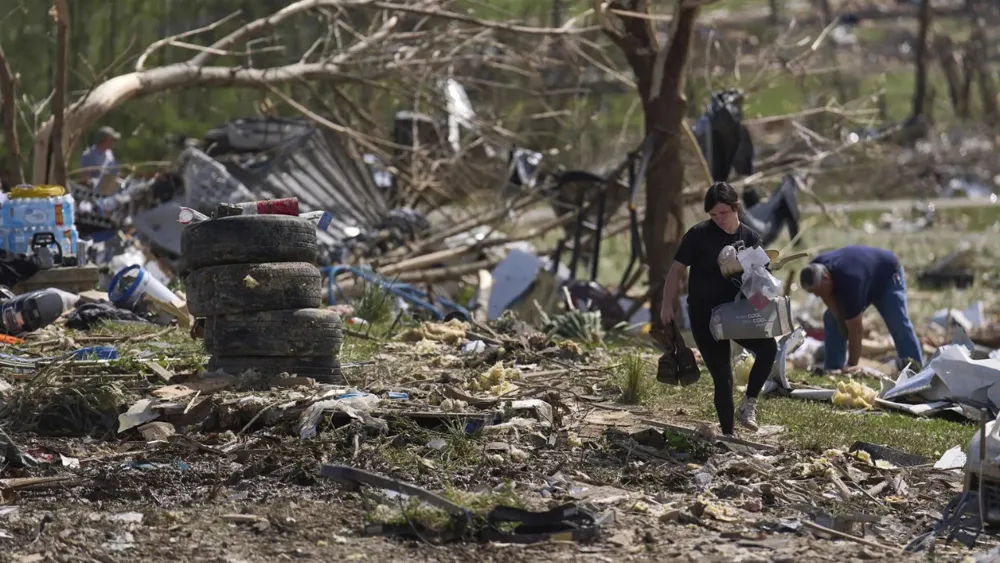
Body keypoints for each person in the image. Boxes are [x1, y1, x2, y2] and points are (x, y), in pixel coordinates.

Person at [660, 181, 777, 436]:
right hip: (705, 315)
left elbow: (760, 279)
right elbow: (676, 271)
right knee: (723, 375)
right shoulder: (698, 235)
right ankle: (728, 435)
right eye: (713, 215)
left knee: (769, 348)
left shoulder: (750, 237)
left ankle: (749, 404)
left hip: (736, 314)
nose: (719, 219)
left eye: (723, 212)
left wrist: (765, 299)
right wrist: (666, 304)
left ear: (736, 207)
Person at [799, 245, 924, 372]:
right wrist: (838, 318)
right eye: (814, 293)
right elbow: (828, 300)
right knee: (831, 319)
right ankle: (833, 368)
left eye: (819, 291)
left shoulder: (849, 281)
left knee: (897, 321)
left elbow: (856, 330)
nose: (818, 296)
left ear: (826, 278)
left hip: (887, 276)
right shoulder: (814, 270)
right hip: (864, 276)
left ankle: (915, 369)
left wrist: (852, 365)